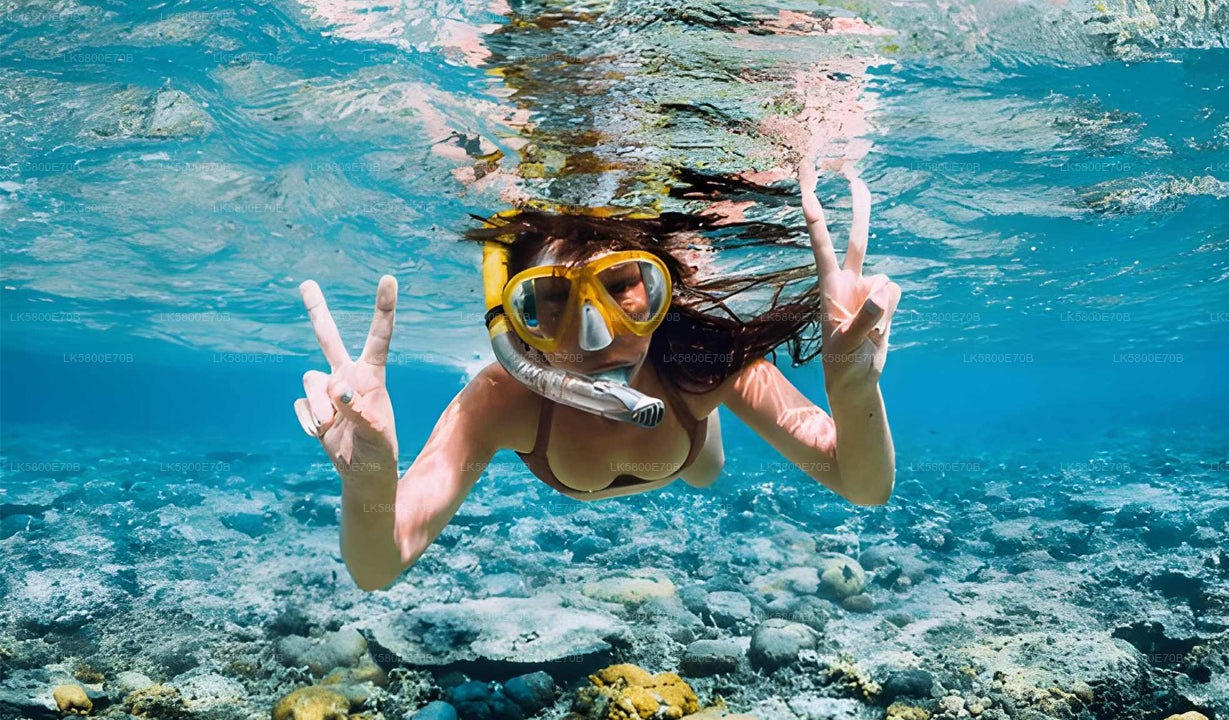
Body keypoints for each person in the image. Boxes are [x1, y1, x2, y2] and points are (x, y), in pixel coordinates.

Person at [292, 158, 901, 591]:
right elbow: (377, 569)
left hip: (689, 439)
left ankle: (706, 427)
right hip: (678, 425)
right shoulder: (502, 400)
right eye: (550, 302)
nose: (594, 337)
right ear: (513, 319)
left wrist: (855, 393)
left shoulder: (703, 362)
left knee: (706, 468)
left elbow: (861, 484)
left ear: (663, 290)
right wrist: (370, 480)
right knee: (699, 457)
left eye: (622, 289)